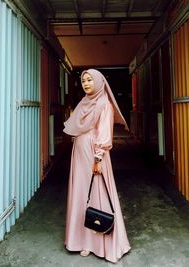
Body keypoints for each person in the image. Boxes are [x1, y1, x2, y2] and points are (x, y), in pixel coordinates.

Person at [63, 69, 131, 263]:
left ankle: (98, 242)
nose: (86, 83)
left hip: (94, 156)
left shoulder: (104, 104)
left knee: (97, 193)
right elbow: (76, 127)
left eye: (90, 80)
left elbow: (104, 134)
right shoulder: (84, 102)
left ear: (99, 82)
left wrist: (98, 158)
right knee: (81, 194)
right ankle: (81, 240)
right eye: (83, 80)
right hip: (80, 155)